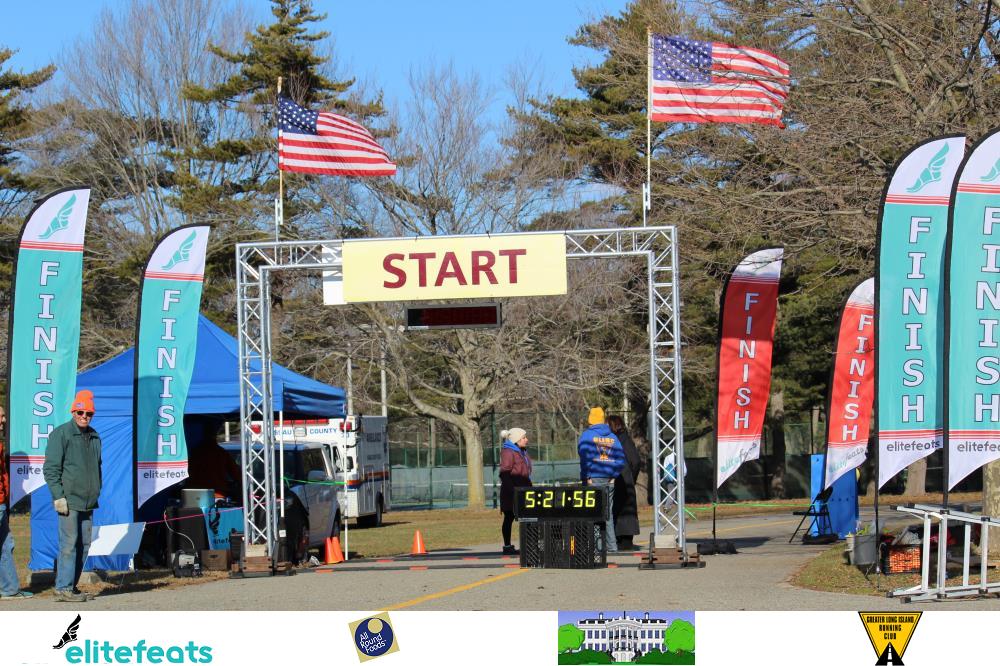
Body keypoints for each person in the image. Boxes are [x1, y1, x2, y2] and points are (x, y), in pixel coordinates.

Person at [43, 390, 103, 602]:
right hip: (69, 501)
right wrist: (58, 496)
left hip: (89, 501)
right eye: (80, 412)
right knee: (69, 545)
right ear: (73, 412)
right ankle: (63, 588)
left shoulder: (95, 436)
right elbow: (51, 469)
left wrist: (97, 489)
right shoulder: (61, 434)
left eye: (88, 413)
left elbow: (98, 466)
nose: (84, 416)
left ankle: (71, 587)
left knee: (85, 545)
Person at [577, 407, 625, 553]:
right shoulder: (613, 437)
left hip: (593, 478)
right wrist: (613, 476)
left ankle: (596, 548)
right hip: (609, 479)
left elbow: (584, 457)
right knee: (607, 513)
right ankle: (612, 546)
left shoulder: (587, 435)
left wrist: (587, 477)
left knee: (592, 513)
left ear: (590, 419)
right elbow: (620, 459)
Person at [0, 406, 33, 599]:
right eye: (1, 416)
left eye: (4, 416)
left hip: (2, 502)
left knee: (6, 544)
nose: (4, 420)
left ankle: (9, 589)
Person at [607, 415, 641, 551]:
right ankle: (622, 540)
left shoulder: (622, 439)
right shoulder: (621, 439)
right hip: (622, 480)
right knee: (621, 510)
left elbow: (635, 461)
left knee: (620, 510)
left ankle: (623, 540)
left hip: (621, 480)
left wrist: (630, 477)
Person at [498, 427, 532, 555]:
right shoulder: (508, 452)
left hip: (524, 491)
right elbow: (504, 474)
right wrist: (514, 491)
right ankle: (507, 546)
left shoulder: (521, 451)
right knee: (509, 517)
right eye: (523, 437)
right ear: (516, 440)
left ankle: (529, 545)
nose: (526, 439)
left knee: (529, 518)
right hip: (512, 492)